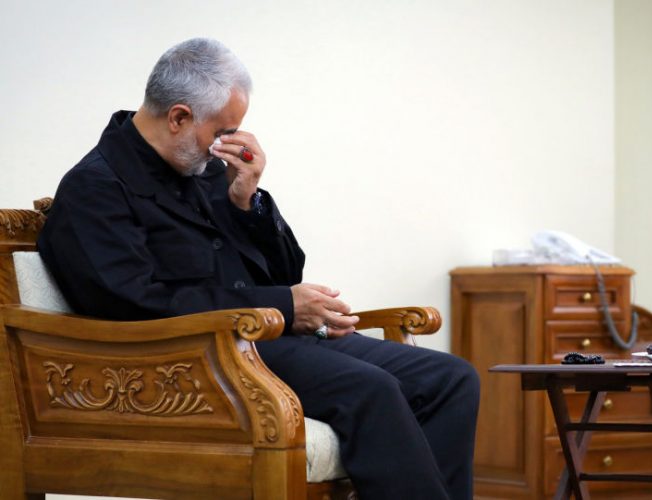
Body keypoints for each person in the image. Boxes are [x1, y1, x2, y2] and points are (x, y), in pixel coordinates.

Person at [37, 38, 479, 499]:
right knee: (372, 389)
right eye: (222, 130)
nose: (227, 144)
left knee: (452, 379)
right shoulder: (95, 188)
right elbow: (134, 306)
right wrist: (283, 306)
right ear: (179, 118)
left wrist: (248, 203)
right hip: (194, 358)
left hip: (270, 339)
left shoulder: (208, 170)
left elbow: (287, 272)